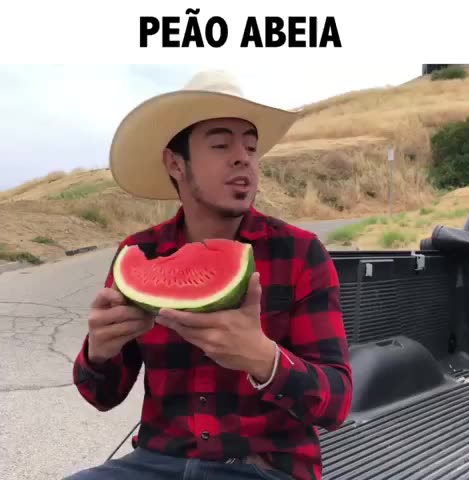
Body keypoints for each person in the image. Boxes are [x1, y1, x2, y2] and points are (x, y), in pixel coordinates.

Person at [67, 70, 352, 480]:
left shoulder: (300, 252)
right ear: (175, 163)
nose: (242, 158)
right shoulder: (139, 253)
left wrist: (265, 360)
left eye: (250, 147)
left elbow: (336, 402)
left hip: (263, 467)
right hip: (157, 463)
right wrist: (98, 352)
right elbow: (102, 397)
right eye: (220, 145)